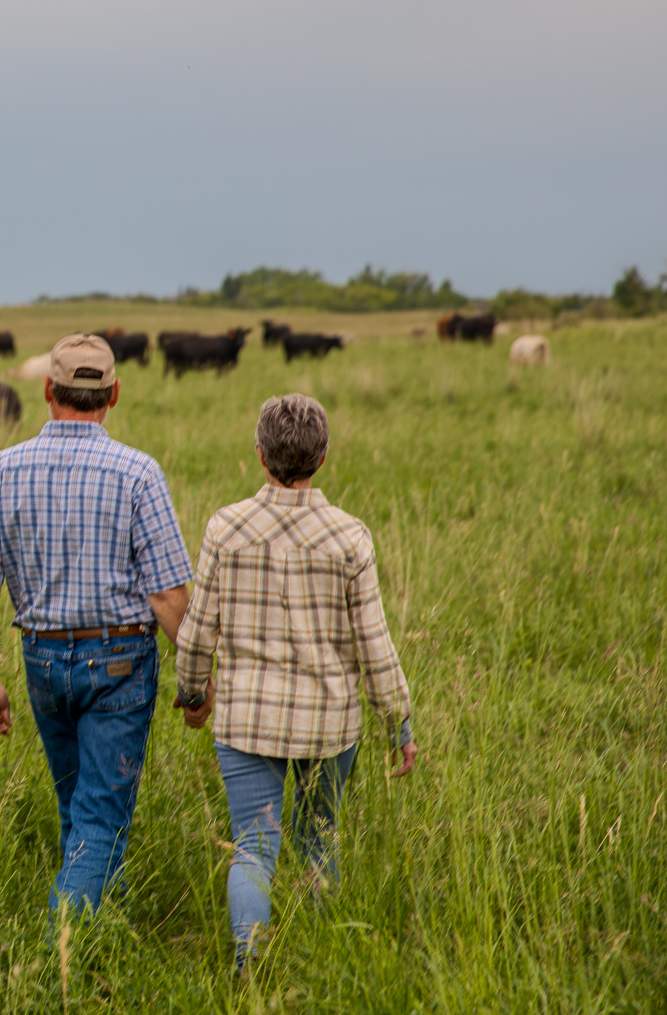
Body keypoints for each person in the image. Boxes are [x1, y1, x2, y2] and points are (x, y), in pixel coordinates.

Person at [174, 393, 418, 973]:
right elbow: (375, 645)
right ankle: (315, 961)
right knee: (318, 841)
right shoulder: (350, 537)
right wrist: (398, 722)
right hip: (330, 723)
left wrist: (191, 692)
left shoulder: (224, 528)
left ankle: (249, 963)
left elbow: (196, 630)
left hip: (245, 720)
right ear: (323, 457)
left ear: (259, 455)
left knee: (254, 847)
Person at [0, 333, 195, 911]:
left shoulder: (1, 469)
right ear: (114, 394)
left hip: (42, 660)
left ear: (47, 389)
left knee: (78, 808)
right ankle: (62, 953)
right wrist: (197, 676)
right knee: (100, 816)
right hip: (118, 662)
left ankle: (95, 943)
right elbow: (168, 595)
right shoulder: (138, 472)